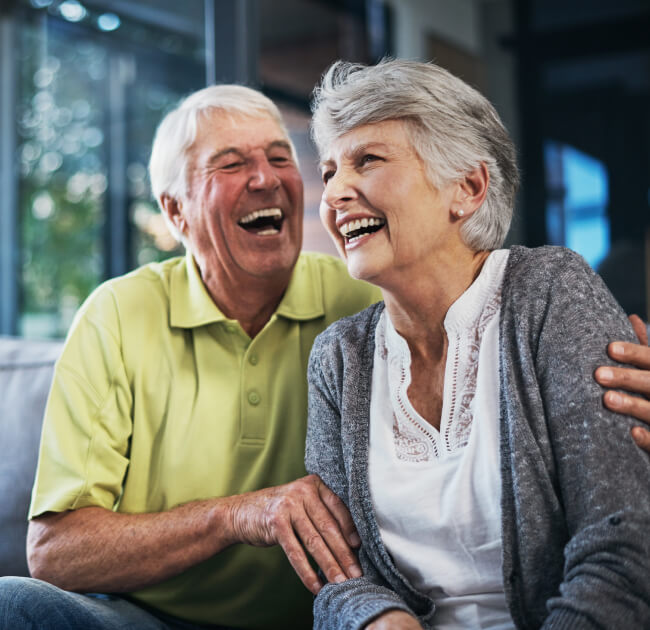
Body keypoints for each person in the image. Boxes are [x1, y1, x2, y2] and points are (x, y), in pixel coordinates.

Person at [0, 85, 380, 629]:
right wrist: (237, 515)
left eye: (279, 157)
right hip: (145, 618)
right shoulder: (117, 314)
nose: (266, 178)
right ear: (175, 211)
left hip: (318, 619)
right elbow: (56, 551)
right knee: (12, 605)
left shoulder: (359, 299)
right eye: (231, 163)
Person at [305, 59, 650, 630]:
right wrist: (379, 620)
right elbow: (340, 577)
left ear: (466, 188)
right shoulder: (338, 357)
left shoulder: (550, 293)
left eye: (368, 160)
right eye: (327, 172)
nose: (336, 192)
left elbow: (625, 545)